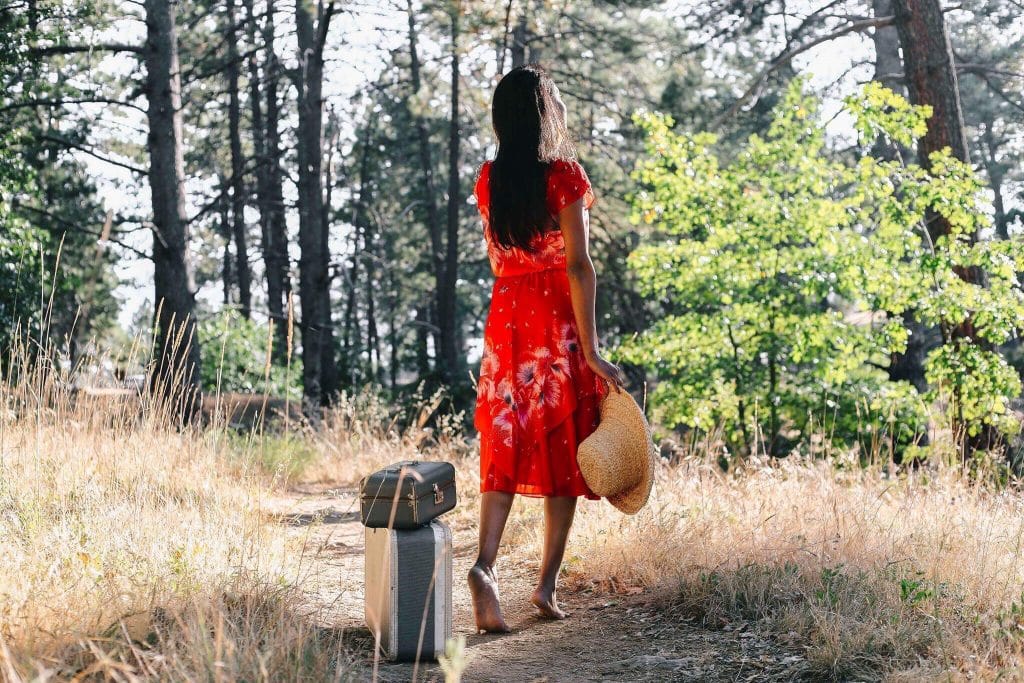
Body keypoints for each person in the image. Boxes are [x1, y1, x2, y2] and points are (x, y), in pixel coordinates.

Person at [469, 64, 625, 634]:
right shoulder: (564, 175)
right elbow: (579, 265)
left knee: (505, 442)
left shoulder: (489, 179)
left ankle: (484, 568)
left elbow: (496, 259)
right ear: (544, 115)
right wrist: (591, 349)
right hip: (555, 322)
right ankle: (544, 585)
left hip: (505, 320)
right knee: (563, 448)